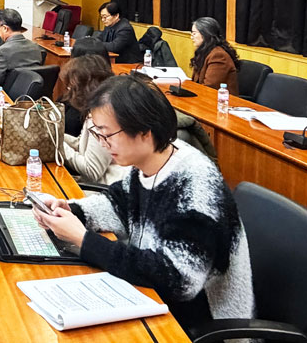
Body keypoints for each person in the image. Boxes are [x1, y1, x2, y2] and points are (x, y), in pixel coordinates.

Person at [33, 73, 254, 332]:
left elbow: (179, 280)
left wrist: (84, 240)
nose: (104, 145)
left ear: (144, 131)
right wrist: (71, 210)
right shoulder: (148, 164)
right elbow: (118, 205)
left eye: (107, 135)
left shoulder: (195, 183)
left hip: (201, 321)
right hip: (153, 298)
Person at [57, 55, 125, 185]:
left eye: (72, 87)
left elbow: (91, 171)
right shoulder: (97, 109)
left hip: (102, 189)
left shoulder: (103, 118)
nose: (69, 91)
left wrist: (57, 145)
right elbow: (83, 144)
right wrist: (55, 135)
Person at [0, 8, 45, 85]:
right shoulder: (36, 47)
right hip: (32, 93)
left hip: (7, 95)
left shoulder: (1, 52)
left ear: (5, 28)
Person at [189, 17, 240, 94]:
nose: (191, 37)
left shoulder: (218, 56)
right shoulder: (204, 52)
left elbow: (209, 87)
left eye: (194, 33)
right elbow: (196, 82)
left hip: (221, 101)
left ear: (205, 34)